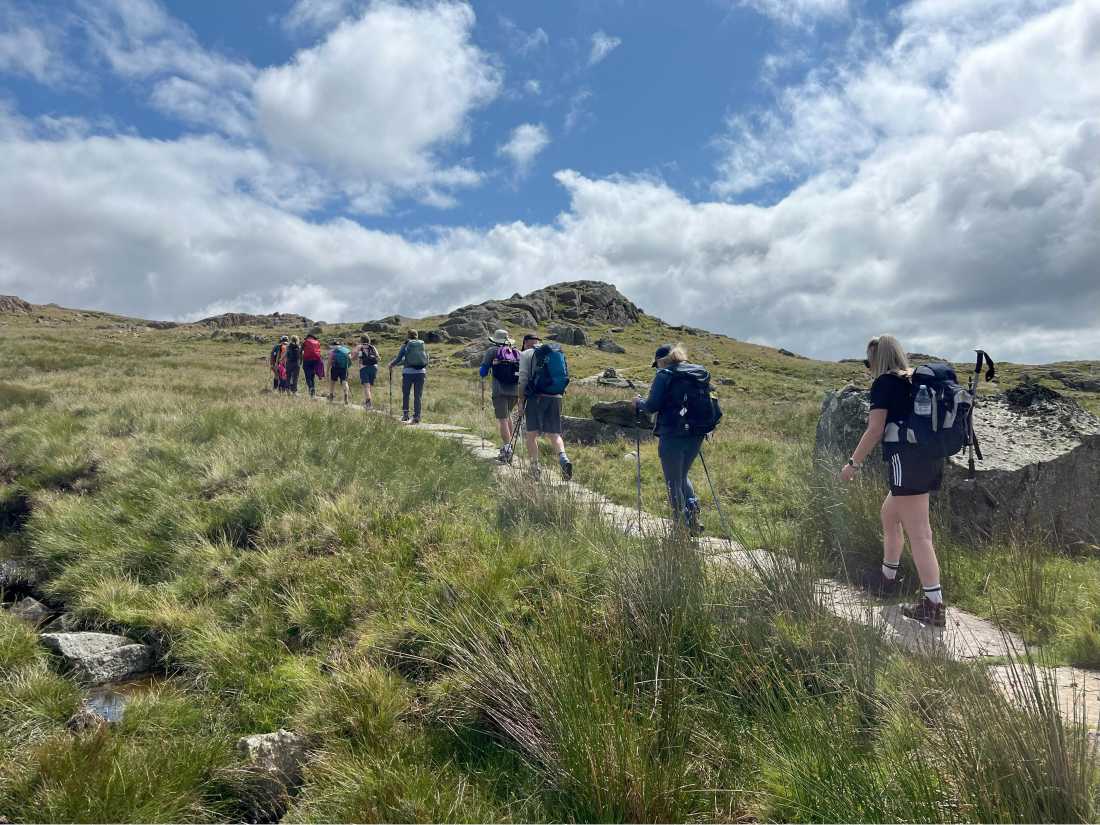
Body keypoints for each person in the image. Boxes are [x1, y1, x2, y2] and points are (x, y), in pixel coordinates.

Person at [841, 334, 947, 627]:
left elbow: (875, 429)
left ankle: (934, 605)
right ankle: (887, 579)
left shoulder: (886, 383)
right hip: (929, 458)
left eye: (869, 362)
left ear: (878, 360)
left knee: (920, 534)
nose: (869, 367)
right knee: (890, 514)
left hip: (906, 460)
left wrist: (853, 464)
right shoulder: (914, 380)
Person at [635, 344, 708, 534]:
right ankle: (693, 518)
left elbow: (651, 406)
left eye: (656, 364)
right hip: (696, 433)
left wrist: (638, 402)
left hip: (672, 434)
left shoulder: (664, 375)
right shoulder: (696, 372)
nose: (657, 368)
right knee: (682, 476)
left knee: (673, 482)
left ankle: (680, 527)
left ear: (661, 361)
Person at [516, 333, 572, 481]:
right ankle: (563, 458)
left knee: (531, 434)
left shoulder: (526, 354)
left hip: (536, 397)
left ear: (525, 343)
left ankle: (535, 469)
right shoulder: (553, 352)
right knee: (554, 434)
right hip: (556, 396)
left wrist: (520, 401)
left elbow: (522, 380)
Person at [479, 328, 520, 462]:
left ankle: (507, 449)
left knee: (502, 419)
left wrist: (488, 368)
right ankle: (509, 445)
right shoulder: (516, 352)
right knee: (508, 416)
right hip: (515, 391)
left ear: (495, 340)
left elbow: (483, 371)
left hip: (500, 391)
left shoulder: (492, 351)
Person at [388, 329, 428, 423]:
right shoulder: (421, 344)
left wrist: (391, 364)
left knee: (406, 394)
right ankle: (417, 417)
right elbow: (426, 358)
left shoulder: (406, 345)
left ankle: (405, 415)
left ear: (408, 336)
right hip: (421, 372)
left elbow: (399, 358)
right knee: (418, 395)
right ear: (417, 336)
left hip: (408, 373)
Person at [351, 335, 380, 409]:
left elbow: (353, 358)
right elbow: (378, 358)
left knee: (366, 386)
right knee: (370, 386)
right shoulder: (372, 347)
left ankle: (368, 403)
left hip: (364, 368)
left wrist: (350, 356)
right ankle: (368, 401)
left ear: (361, 340)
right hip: (374, 367)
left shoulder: (359, 347)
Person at [327, 339, 352, 405]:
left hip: (335, 368)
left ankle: (331, 395)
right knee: (344, 382)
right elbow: (350, 359)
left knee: (332, 382)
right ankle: (346, 396)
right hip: (344, 369)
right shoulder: (346, 350)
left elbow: (329, 361)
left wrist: (327, 371)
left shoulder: (332, 351)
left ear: (333, 345)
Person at [302, 332, 323, 397]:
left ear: (308, 337)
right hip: (315, 361)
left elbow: (301, 351)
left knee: (308, 377)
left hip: (307, 360)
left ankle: (310, 388)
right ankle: (313, 392)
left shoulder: (305, 342)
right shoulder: (317, 342)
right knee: (312, 377)